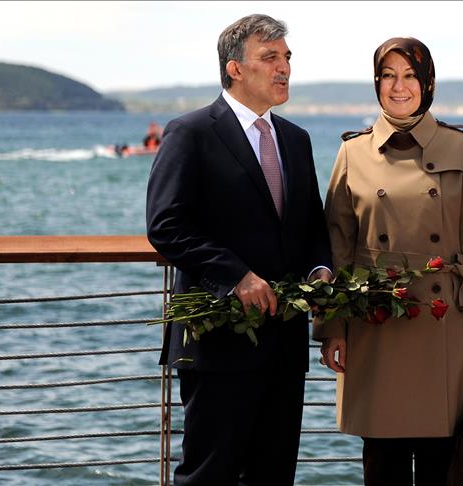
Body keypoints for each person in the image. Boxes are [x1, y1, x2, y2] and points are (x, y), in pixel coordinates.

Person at [146, 14, 332, 486]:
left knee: (274, 477)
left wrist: (320, 270)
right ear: (234, 68)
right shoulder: (190, 132)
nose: (283, 68)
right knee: (208, 477)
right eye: (269, 58)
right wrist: (235, 276)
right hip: (217, 343)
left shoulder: (296, 139)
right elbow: (166, 225)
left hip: (285, 345)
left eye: (286, 57)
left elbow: (312, 225)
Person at [313, 37, 463, 486]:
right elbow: (337, 247)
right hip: (375, 327)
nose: (398, 87)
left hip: (445, 328)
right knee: (383, 464)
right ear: (376, 83)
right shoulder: (352, 152)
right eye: (388, 76)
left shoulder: (458, 147)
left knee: (443, 463)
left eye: (409, 76)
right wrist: (331, 327)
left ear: (427, 83)